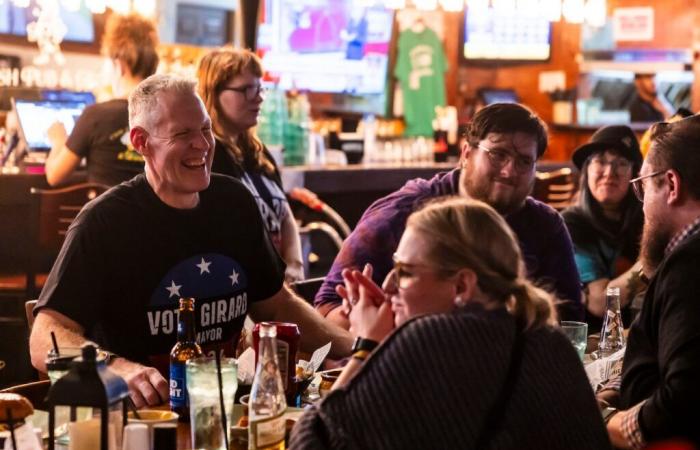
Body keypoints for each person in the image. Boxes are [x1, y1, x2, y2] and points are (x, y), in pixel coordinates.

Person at [29, 74, 353, 408]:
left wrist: (357, 347)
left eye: (205, 129)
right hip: (141, 419)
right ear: (141, 141)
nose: (202, 144)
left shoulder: (234, 202)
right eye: (182, 133)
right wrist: (115, 368)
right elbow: (44, 338)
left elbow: (278, 305)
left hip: (226, 411)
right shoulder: (104, 222)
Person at [290, 198, 609, 449]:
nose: (389, 286)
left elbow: (310, 441)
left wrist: (368, 346)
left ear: (461, 286)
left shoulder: (431, 339)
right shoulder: (547, 339)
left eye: (406, 272)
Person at [316, 103, 584, 326]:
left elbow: (571, 322)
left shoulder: (545, 225)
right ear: (466, 153)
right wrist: (377, 320)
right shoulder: (403, 212)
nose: (509, 171)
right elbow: (326, 309)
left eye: (524, 161)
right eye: (498, 154)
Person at [601, 116, 700, 447]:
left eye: (642, 186)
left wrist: (613, 424)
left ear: (671, 185)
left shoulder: (690, 260)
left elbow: (685, 396)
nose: (642, 204)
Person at [196, 47, 303, 282]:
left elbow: (285, 215)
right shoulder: (207, 158)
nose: (259, 97)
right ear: (213, 93)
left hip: (279, 287)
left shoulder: (258, 152)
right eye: (247, 89)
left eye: (259, 87)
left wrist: (294, 264)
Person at [45, 13, 158, 186]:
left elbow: (54, 176)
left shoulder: (95, 115)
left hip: (106, 213)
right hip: (153, 213)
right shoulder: (166, 115)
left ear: (119, 65)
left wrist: (58, 140)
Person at [562, 125, 645, 331]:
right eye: (600, 161)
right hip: (592, 343)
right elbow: (600, 303)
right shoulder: (572, 222)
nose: (610, 173)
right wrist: (651, 260)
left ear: (634, 175)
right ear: (587, 169)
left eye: (621, 164)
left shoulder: (647, 220)